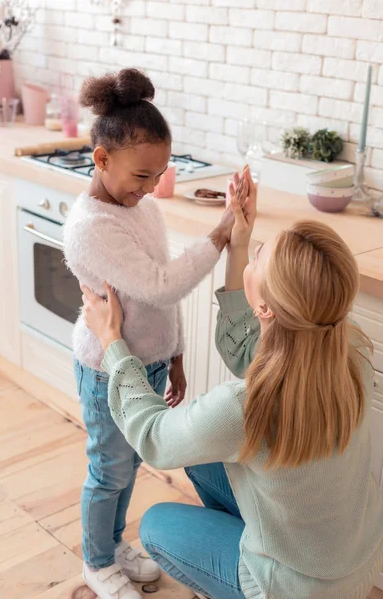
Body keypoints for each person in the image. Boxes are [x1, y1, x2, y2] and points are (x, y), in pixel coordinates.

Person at [81, 171, 383, 599]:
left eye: (260, 258)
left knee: (156, 525)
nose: (256, 254)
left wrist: (113, 342)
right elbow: (246, 345)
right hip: (359, 562)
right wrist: (240, 240)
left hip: (292, 588)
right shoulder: (344, 343)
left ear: (266, 307)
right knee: (204, 460)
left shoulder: (245, 407)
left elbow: (154, 438)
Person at [63, 68, 238, 599]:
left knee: (130, 465)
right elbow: (164, 286)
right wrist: (221, 231)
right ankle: (97, 561)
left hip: (146, 365)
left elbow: (159, 299)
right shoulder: (92, 228)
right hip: (107, 372)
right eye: (142, 175)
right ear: (102, 159)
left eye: (160, 173)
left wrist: (177, 354)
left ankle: (114, 545)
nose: (151, 186)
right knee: (109, 471)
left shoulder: (144, 209)